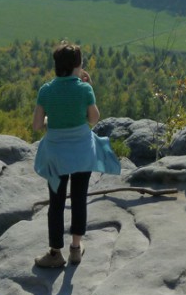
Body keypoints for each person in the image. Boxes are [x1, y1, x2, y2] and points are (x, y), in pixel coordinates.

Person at [33, 41, 121, 268]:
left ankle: (54, 253)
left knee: (56, 203)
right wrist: (86, 88)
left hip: (55, 155)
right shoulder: (84, 89)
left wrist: (50, 120)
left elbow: (36, 125)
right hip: (82, 152)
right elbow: (93, 119)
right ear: (77, 65)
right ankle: (75, 249)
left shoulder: (46, 90)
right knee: (79, 198)